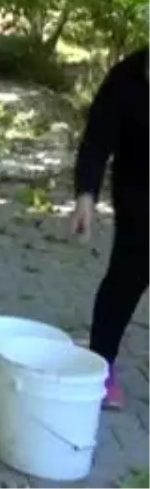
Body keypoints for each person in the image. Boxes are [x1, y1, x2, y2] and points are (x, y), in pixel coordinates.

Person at [69, 46, 150, 411]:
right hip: (139, 194)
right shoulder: (125, 78)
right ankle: (101, 363)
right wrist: (86, 196)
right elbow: (97, 141)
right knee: (127, 278)